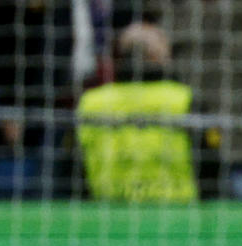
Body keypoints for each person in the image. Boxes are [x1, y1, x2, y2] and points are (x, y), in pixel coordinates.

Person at [76, 21, 199, 202]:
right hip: (176, 215)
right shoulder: (182, 99)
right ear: (155, 56)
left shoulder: (91, 102)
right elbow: (210, 165)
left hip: (107, 216)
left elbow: (72, 167)